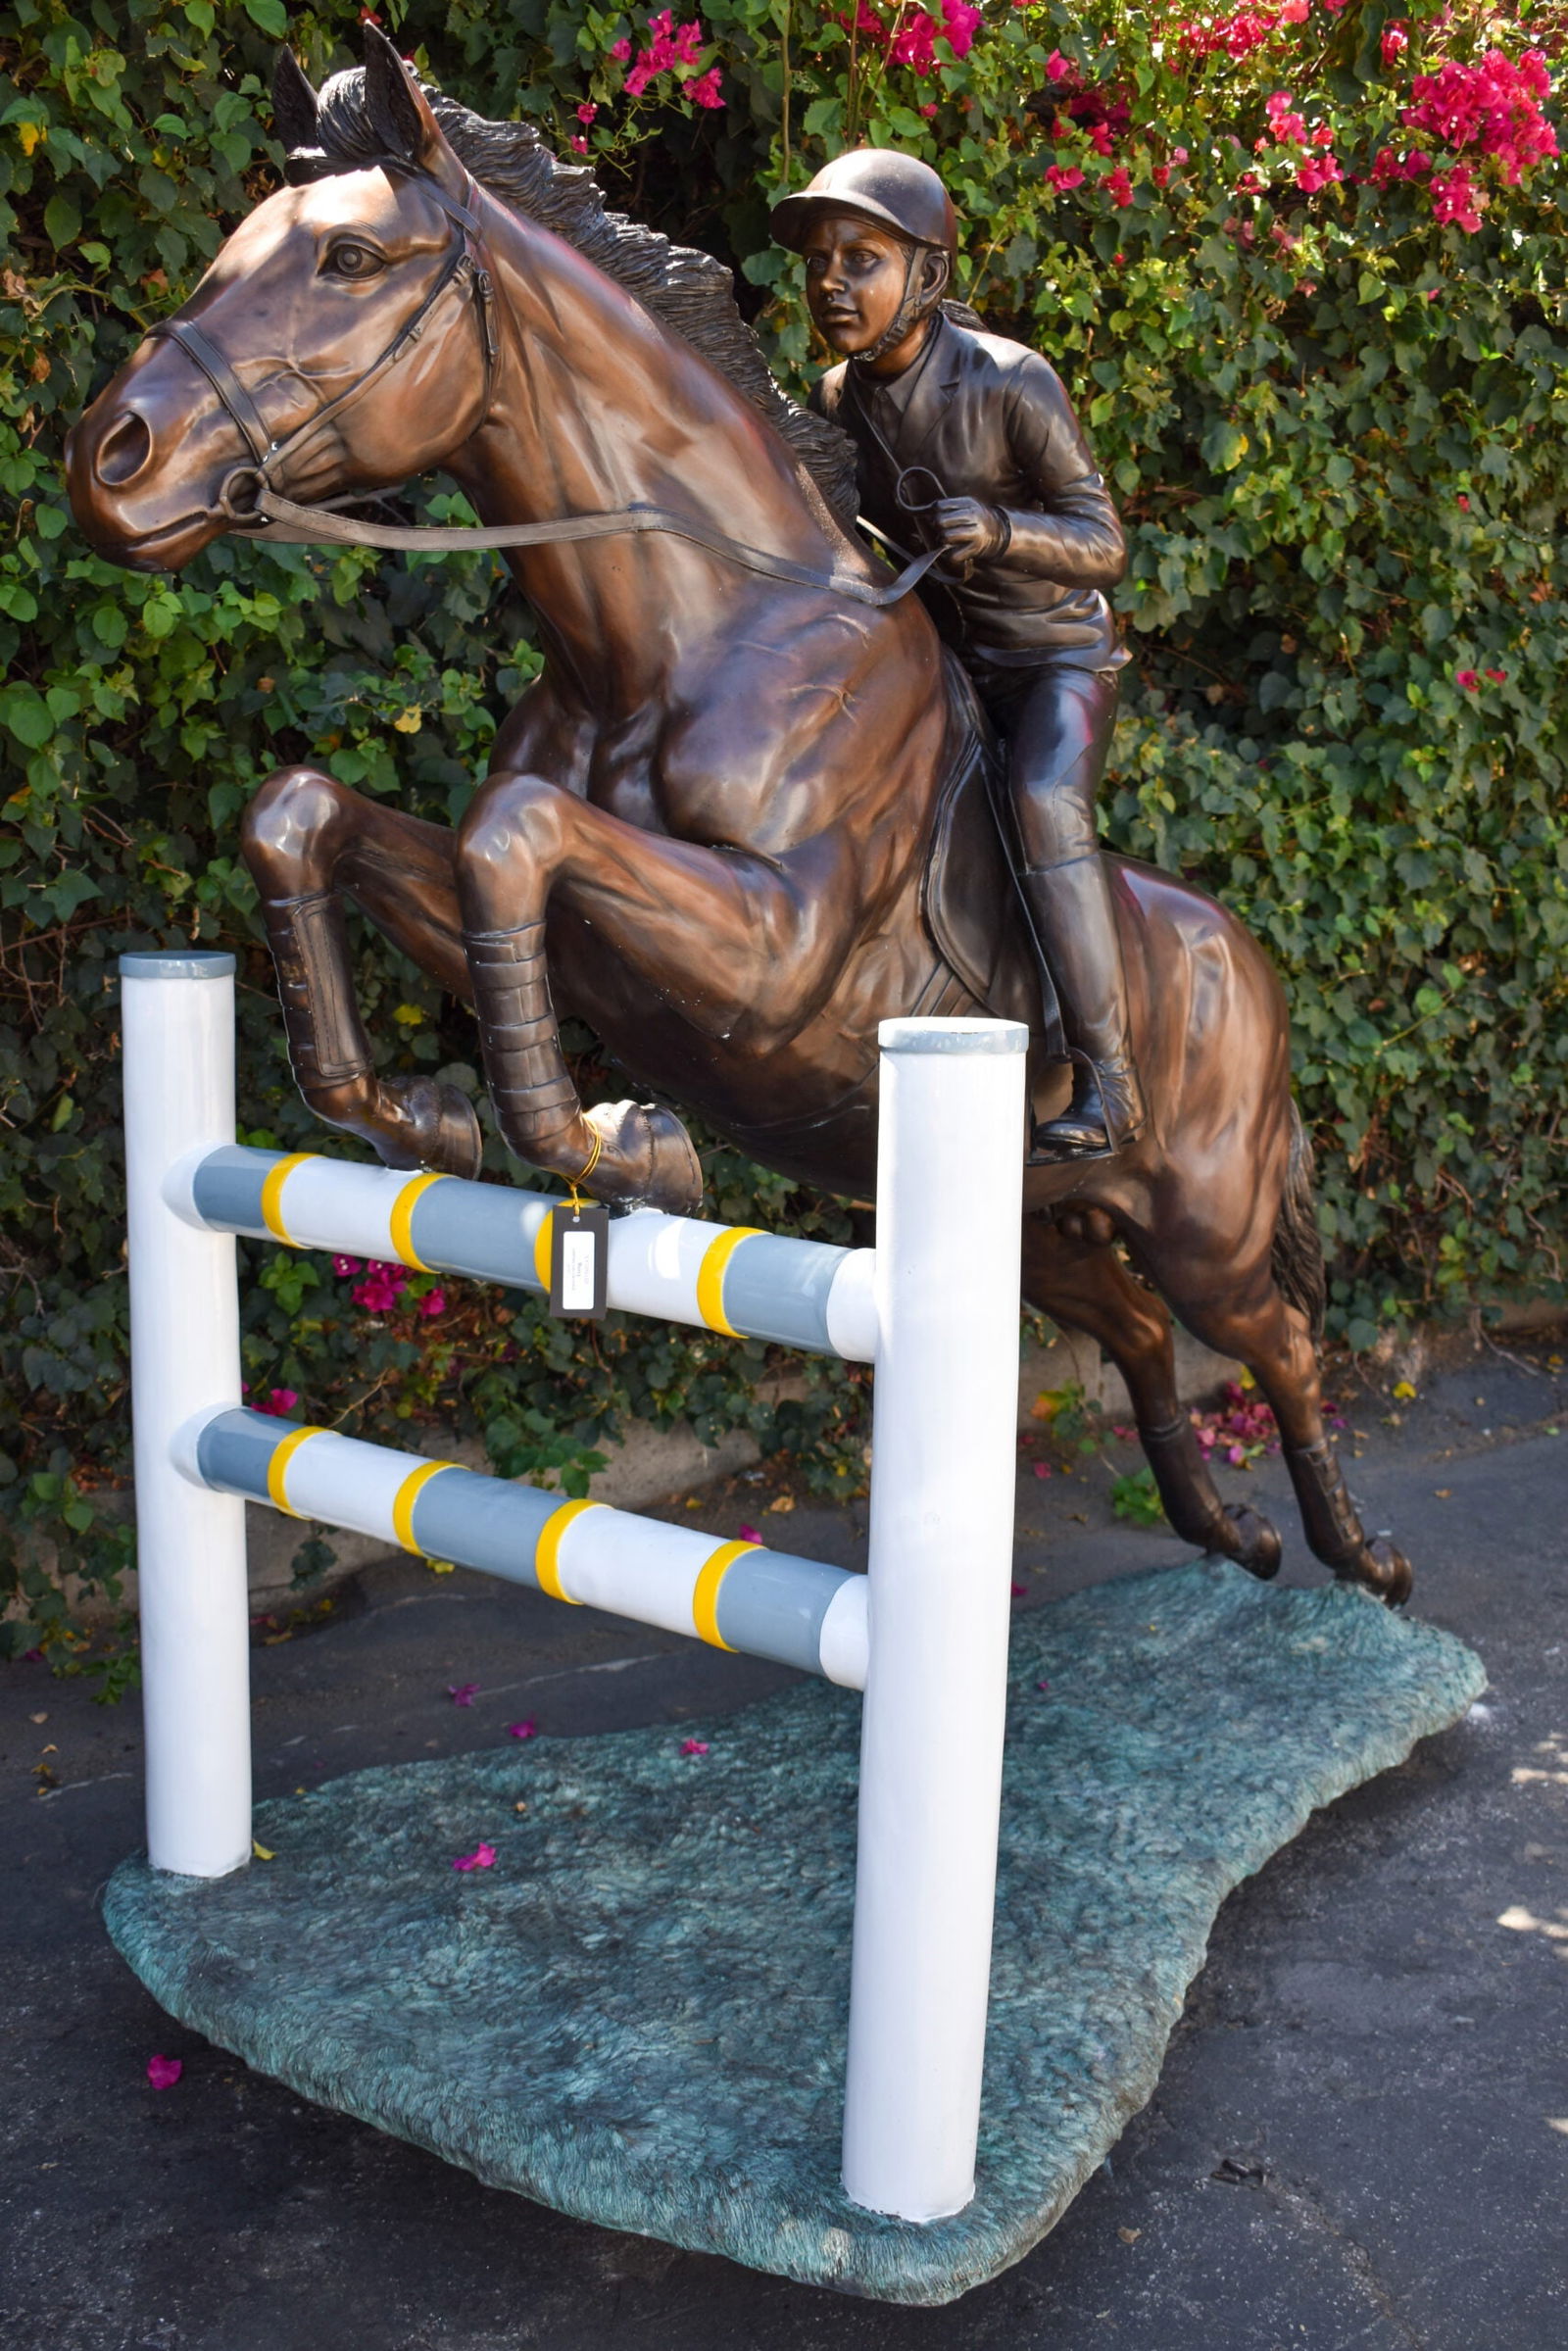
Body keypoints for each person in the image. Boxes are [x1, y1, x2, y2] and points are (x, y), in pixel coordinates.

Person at [771, 150, 1144, 1160]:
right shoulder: (837, 394)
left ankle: (1109, 1080)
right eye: (817, 262)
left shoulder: (1011, 379)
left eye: (861, 258)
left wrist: (1000, 529)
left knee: (1039, 801)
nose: (831, 282)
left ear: (925, 276)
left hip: (1052, 661)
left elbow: (1104, 544)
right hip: (939, 659)